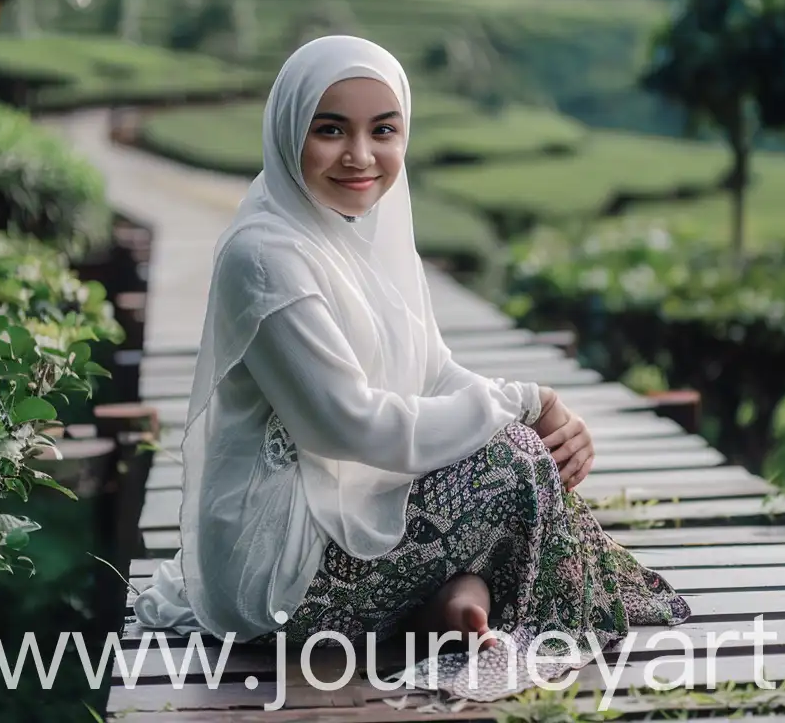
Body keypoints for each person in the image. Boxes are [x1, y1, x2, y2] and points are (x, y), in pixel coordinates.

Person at [134, 35, 689, 682]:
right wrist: (526, 404)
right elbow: (351, 427)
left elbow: (433, 372)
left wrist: (536, 412)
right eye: (331, 129)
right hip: (281, 576)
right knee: (509, 463)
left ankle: (454, 599)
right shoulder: (265, 254)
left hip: (338, 521)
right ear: (289, 130)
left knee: (510, 450)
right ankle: (471, 592)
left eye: (384, 130)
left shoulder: (358, 228)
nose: (361, 155)